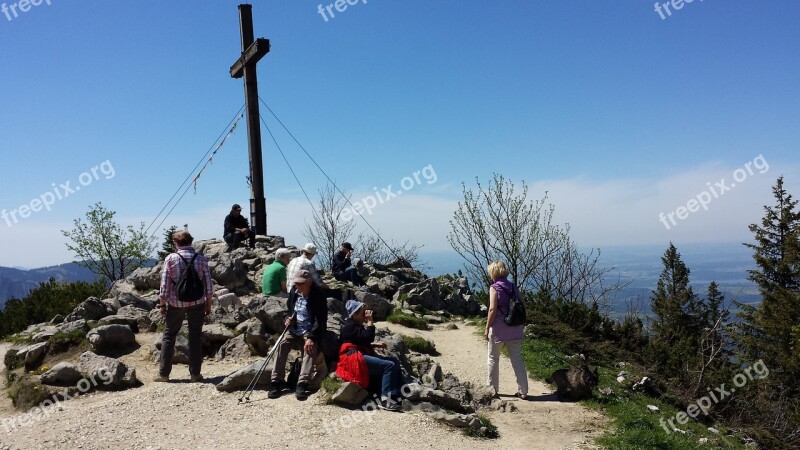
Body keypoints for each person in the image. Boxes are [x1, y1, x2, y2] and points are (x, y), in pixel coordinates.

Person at [154, 230, 213, 383]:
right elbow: (209, 285)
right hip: (197, 302)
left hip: (176, 303)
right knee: (195, 336)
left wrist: (162, 305)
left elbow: (165, 285)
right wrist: (208, 304)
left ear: (176, 243)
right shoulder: (201, 259)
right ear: (190, 242)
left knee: (169, 336)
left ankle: (164, 374)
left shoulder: (171, 259)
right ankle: (195, 374)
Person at [269, 270, 329, 401]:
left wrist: (312, 337)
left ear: (309, 282)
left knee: (310, 350)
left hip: (309, 329)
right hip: (295, 327)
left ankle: (302, 383)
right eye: (296, 283)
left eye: (301, 283)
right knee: (281, 345)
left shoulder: (318, 295)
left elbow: (320, 319)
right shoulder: (294, 292)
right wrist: (287, 318)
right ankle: (276, 381)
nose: (298, 286)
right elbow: (289, 310)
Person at [339, 300, 403, 411]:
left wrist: (374, 344)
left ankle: (396, 393)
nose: (365, 315)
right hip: (353, 358)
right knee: (389, 365)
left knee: (394, 362)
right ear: (354, 314)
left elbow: (359, 340)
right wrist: (370, 321)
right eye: (362, 313)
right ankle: (385, 400)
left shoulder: (354, 325)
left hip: (359, 354)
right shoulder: (349, 326)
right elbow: (367, 337)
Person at [484, 261, 528, 399]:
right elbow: (523, 305)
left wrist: (487, 328)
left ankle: (492, 390)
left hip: (498, 329)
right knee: (517, 359)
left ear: (493, 273)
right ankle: (523, 391)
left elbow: (492, 309)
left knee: (493, 358)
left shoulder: (494, 288)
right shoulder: (513, 287)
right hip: (515, 328)